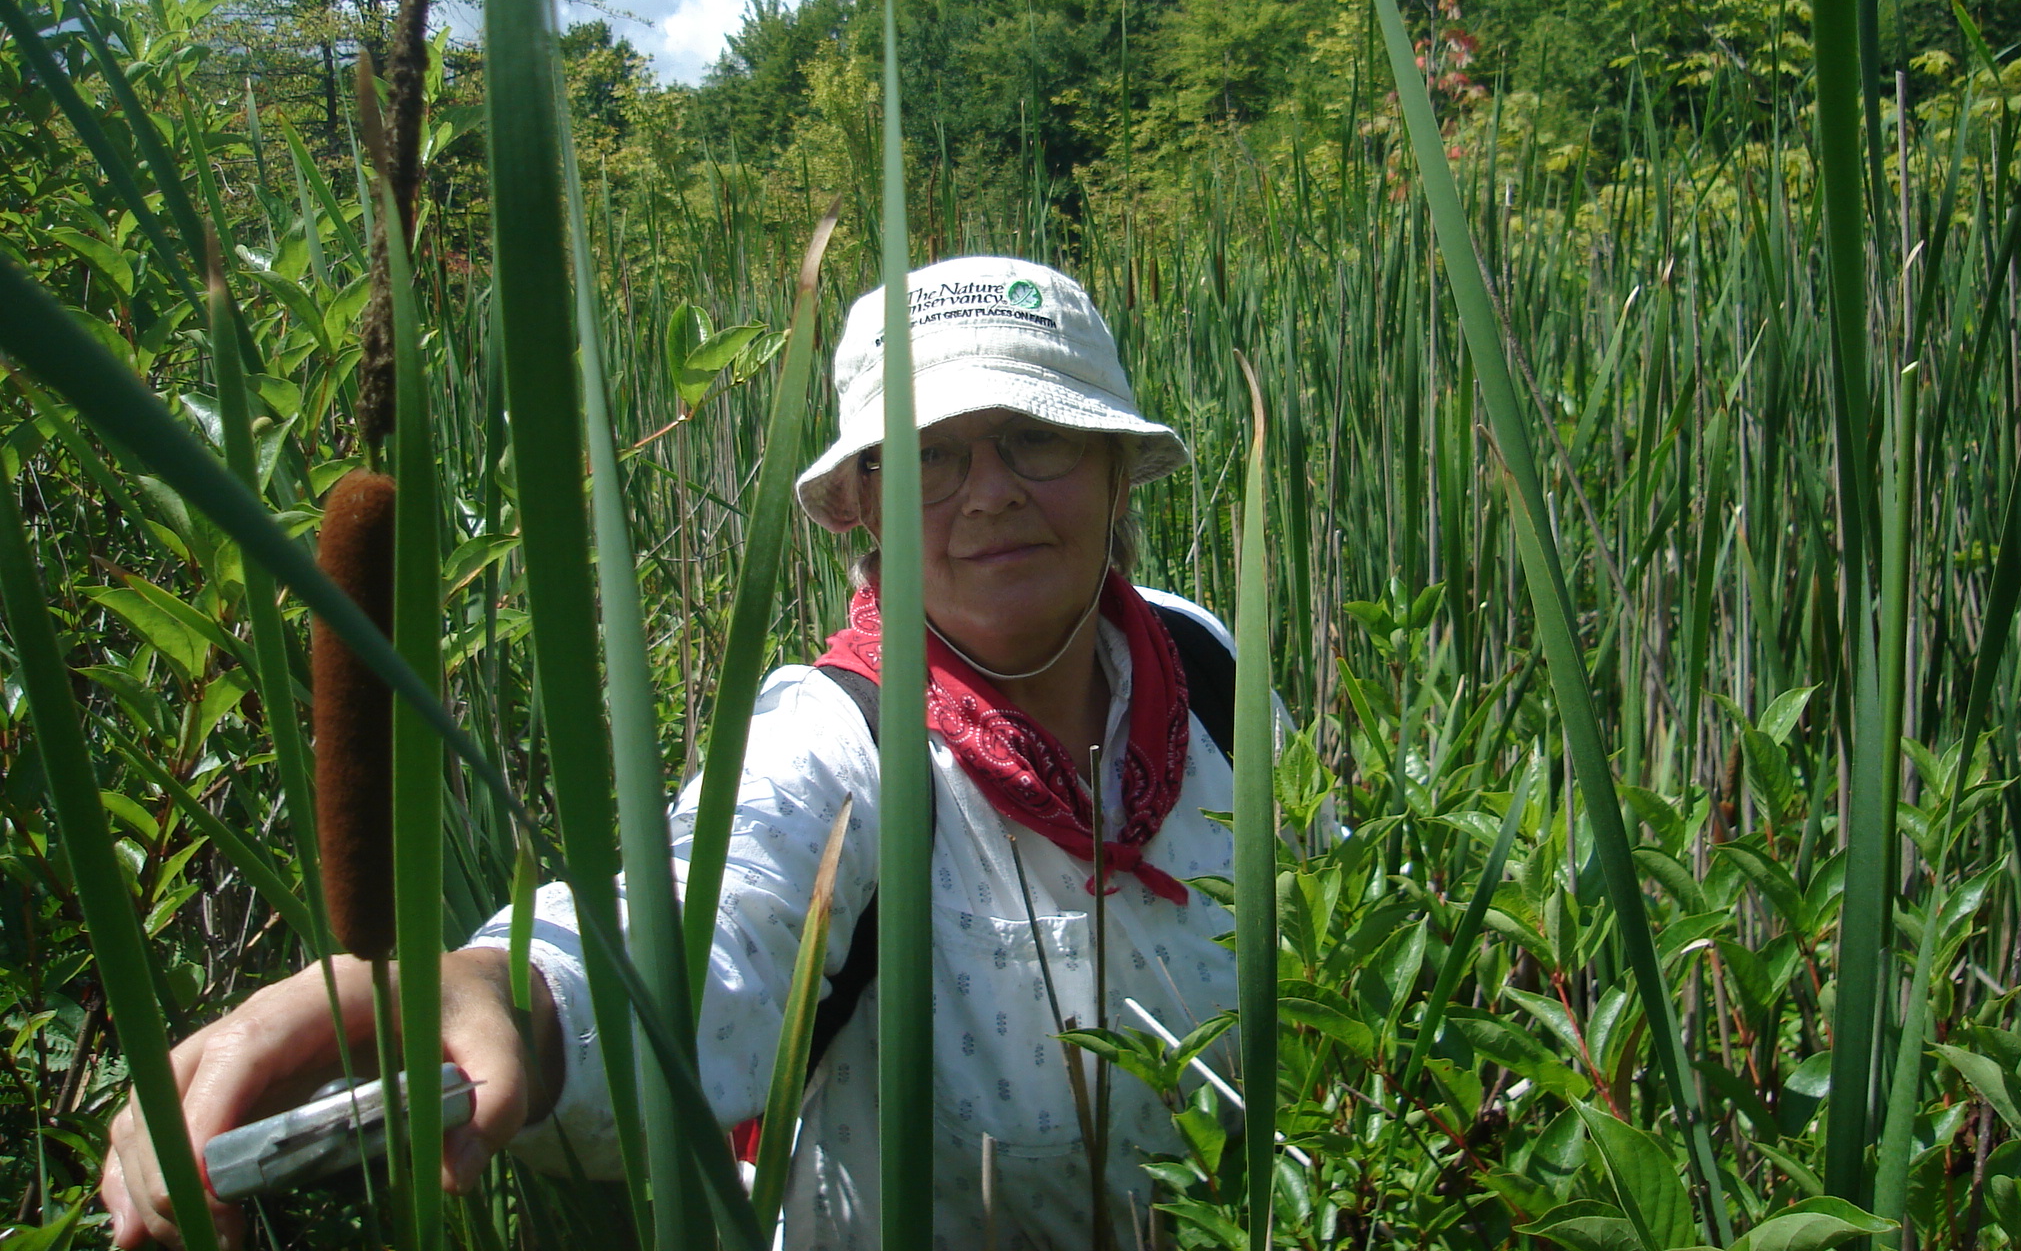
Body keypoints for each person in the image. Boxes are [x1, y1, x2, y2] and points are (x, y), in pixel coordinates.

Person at [101, 256, 1245, 1251]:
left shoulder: (1196, 661)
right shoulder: (836, 746)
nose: (987, 493)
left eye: (1031, 437)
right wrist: (495, 991)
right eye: (927, 456)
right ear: (861, 502)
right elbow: (703, 918)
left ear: (1112, 463)